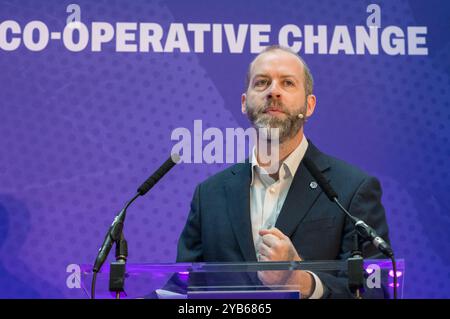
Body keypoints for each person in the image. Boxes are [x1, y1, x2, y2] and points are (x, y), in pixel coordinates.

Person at [176, 45, 391, 299]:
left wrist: (302, 281)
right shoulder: (209, 195)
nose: (273, 91)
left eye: (287, 83)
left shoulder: (352, 189)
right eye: (262, 83)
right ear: (244, 104)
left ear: (309, 105)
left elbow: (373, 291)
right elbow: (183, 286)